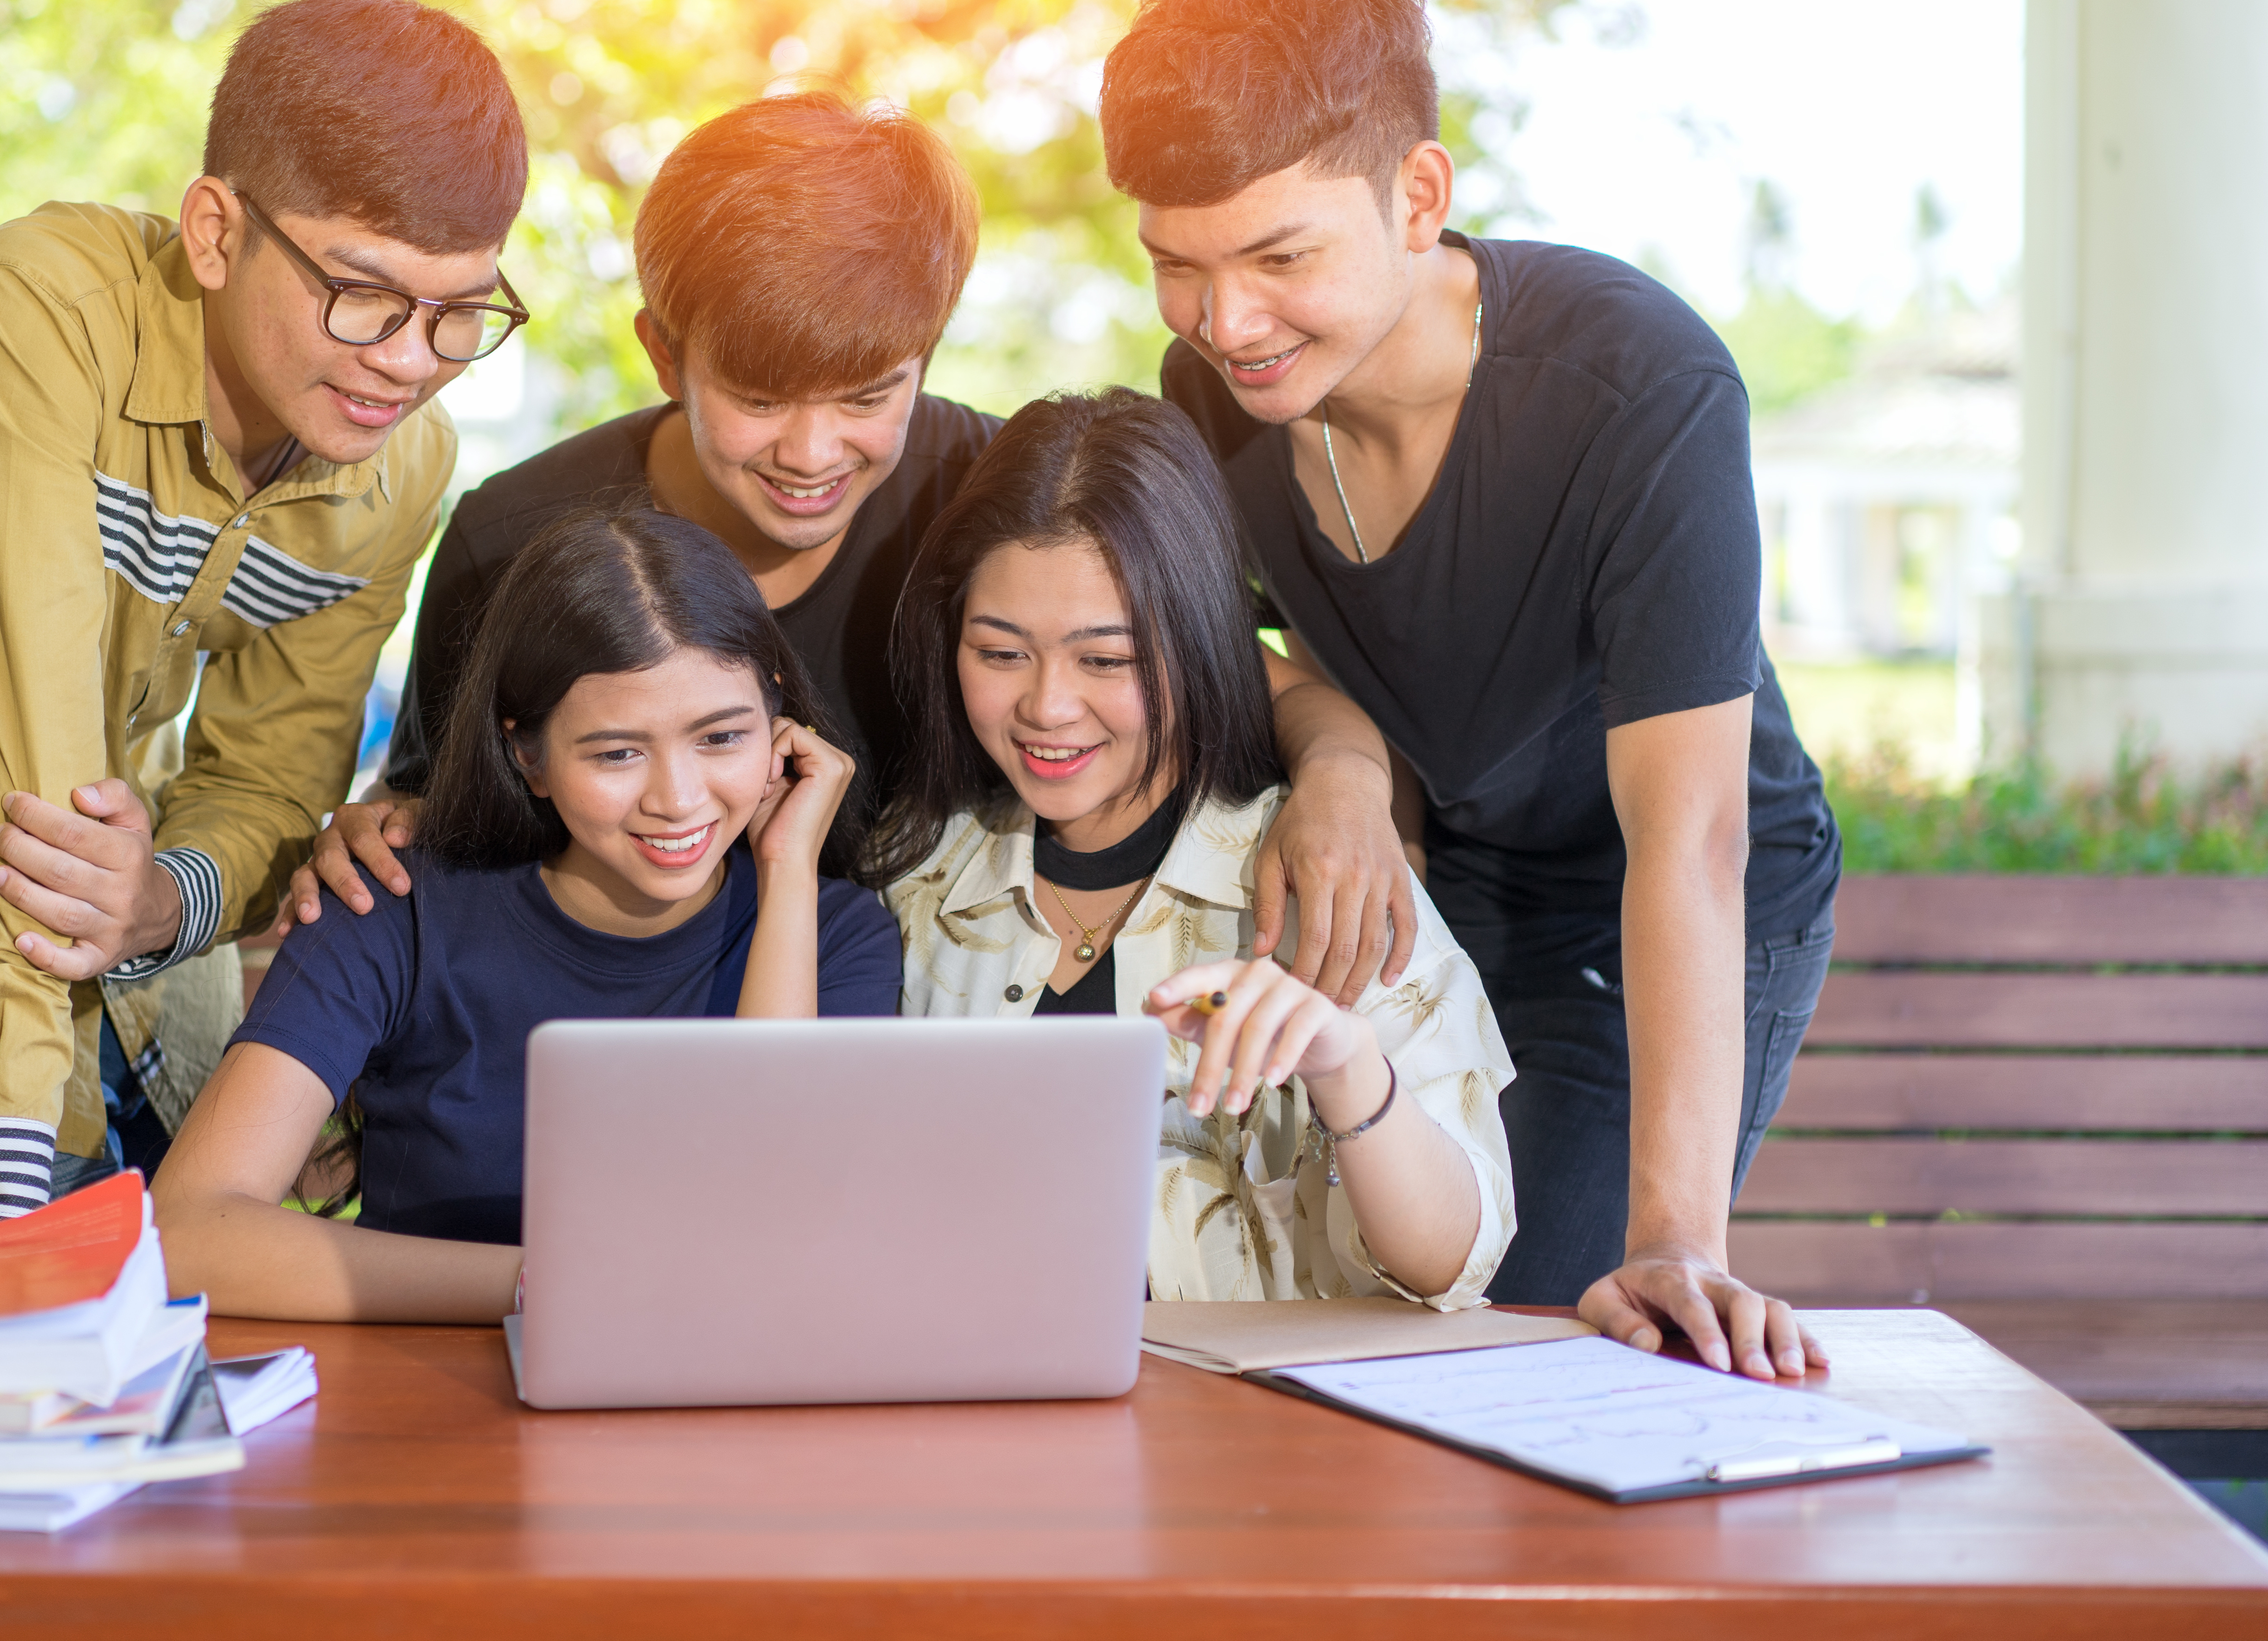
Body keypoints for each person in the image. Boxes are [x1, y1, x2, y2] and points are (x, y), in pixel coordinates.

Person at [1099, 0, 1842, 1375]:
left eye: (1280, 255)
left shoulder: (1638, 388)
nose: (1224, 321)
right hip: (1455, 869)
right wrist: (1343, 764)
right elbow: (1197, 639)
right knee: (1371, 1297)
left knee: (1550, 1323)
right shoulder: (1216, 391)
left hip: (1655, 904)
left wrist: (1678, 1241)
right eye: (1175, 266)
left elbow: (1687, 844)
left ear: (1418, 198)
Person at [291, 90, 1423, 1005]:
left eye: (870, 394)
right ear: (664, 353)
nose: (813, 450)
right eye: (761, 397)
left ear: (925, 355)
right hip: (621, 1025)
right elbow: (441, 820)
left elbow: (1243, 677)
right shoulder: (514, 540)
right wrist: (382, 834)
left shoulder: (990, 500)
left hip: (924, 1008)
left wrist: (1345, 784)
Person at [0, 0, 529, 1241]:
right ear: (217, 231)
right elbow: (23, 820)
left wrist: (162, 900)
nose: (409, 360)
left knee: (203, 1411)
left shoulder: (401, 466)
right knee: (13, 1391)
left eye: (459, 312)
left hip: (161, 997)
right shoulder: (30, 320)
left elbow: (273, 779)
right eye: (365, 294)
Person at [154, 509, 900, 1322]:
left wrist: (787, 866)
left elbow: (775, 1238)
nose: (679, 799)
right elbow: (188, 1232)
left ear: (779, 722)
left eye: (721, 738)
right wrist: (550, 1289)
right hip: (431, 1409)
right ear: (527, 755)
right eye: (617, 752)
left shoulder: (834, 935)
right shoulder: (392, 905)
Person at [872, 391, 1513, 1308]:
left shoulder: (1321, 873)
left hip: (1270, 1436)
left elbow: (1456, 1261)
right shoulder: (914, 878)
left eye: (1107, 660)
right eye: (1000, 652)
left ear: (1203, 643)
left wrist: (1344, 1064)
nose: (1048, 707)